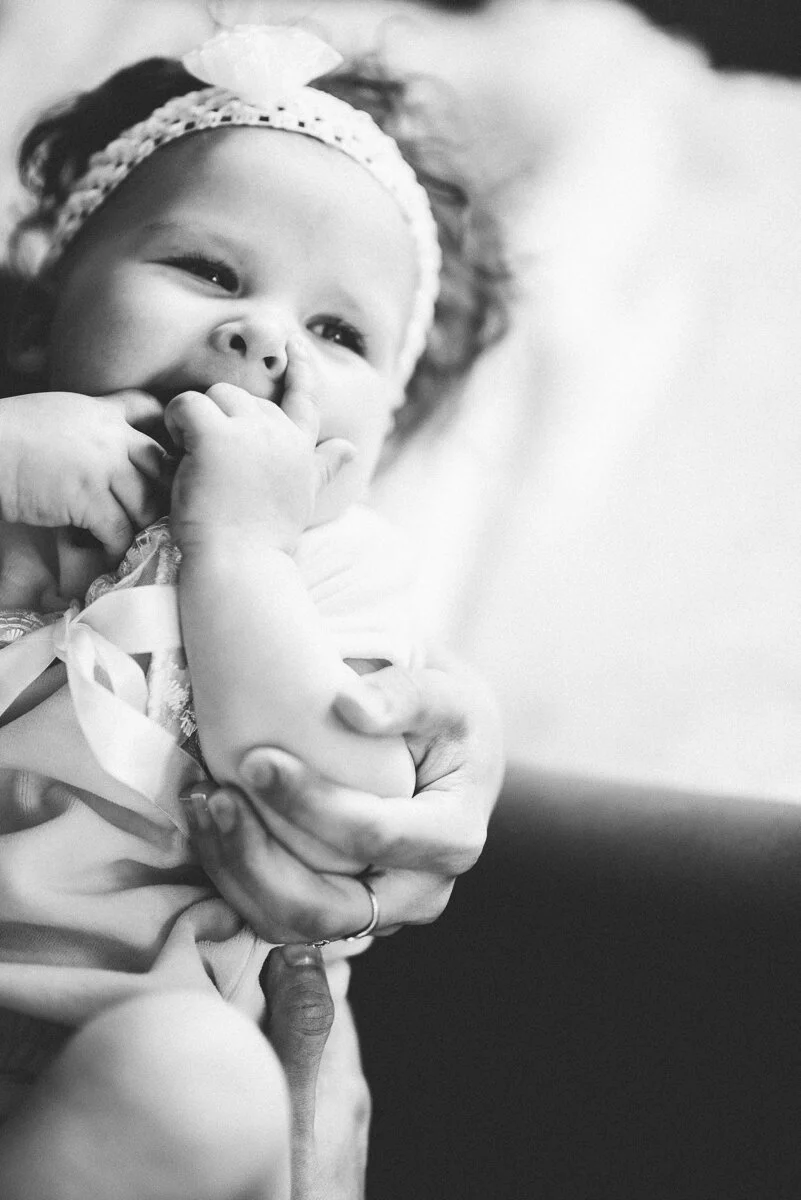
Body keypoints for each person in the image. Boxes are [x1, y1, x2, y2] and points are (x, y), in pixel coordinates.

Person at [0, 20, 508, 1200]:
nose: (264, 336)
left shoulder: (334, 573)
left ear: (374, 441)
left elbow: (335, 804)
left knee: (200, 1082)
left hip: (111, 1059)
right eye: (210, 271)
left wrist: (240, 549)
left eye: (338, 332)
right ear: (44, 310)